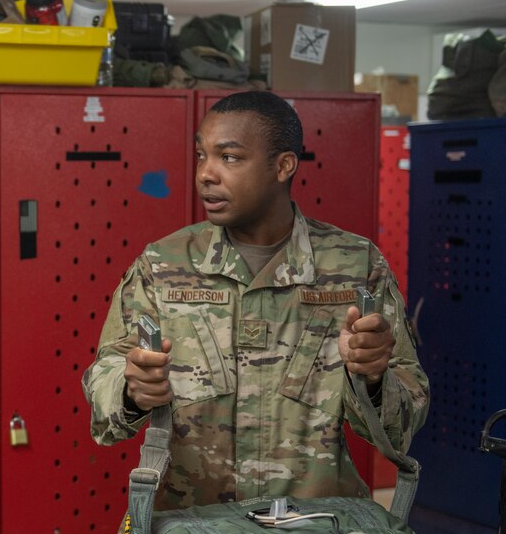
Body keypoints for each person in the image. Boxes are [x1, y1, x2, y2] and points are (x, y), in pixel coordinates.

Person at [82, 90, 428, 510]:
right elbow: (104, 386)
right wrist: (133, 390)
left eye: (229, 157)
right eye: (201, 155)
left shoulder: (354, 265)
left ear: (283, 166)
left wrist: (373, 379)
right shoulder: (164, 265)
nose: (206, 174)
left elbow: (405, 420)